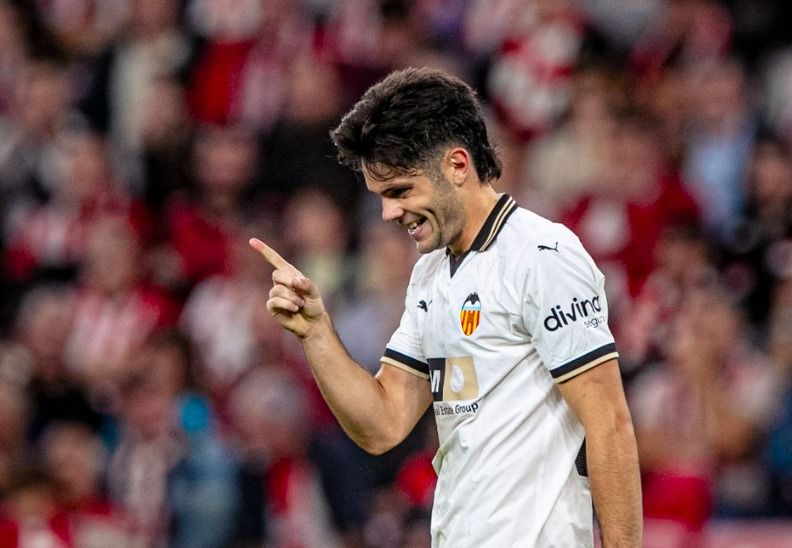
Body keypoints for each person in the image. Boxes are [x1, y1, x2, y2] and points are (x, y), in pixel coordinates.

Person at [249, 67, 642, 547]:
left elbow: (611, 422)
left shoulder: (542, 257)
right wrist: (316, 333)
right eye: (381, 197)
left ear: (457, 166)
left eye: (400, 191)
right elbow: (384, 424)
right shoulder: (432, 273)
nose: (389, 213)